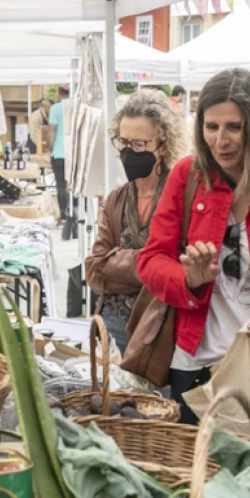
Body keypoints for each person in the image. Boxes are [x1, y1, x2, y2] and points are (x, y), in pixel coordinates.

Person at [137, 68, 250, 423]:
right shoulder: (187, 176)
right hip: (196, 364)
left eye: (234, 127)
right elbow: (151, 260)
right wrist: (189, 279)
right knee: (194, 472)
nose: (220, 140)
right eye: (211, 127)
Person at [85, 90, 186, 354]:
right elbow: (94, 269)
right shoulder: (118, 198)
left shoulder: (181, 196)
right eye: (123, 142)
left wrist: (117, 261)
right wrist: (152, 264)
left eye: (139, 145)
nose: (129, 152)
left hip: (162, 325)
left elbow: (180, 270)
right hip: (115, 323)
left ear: (162, 146)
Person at [47, 85, 73, 239]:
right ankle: (75, 213)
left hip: (59, 153)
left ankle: (64, 215)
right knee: (74, 185)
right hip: (75, 154)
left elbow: (51, 131)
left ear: (59, 94)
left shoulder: (56, 108)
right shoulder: (78, 108)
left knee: (61, 185)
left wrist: (48, 149)